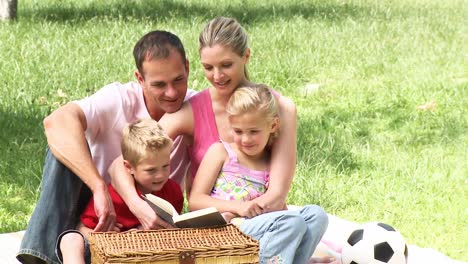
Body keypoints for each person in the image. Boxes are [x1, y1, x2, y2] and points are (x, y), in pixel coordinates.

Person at [109, 17, 329, 263]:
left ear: (246, 56)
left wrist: (253, 213)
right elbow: (122, 163)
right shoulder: (192, 111)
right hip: (219, 224)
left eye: (226, 65)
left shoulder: (280, 109)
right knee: (292, 223)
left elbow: (277, 194)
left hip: (266, 217)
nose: (217, 76)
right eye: (208, 67)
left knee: (315, 216)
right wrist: (137, 206)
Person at [17, 30, 195, 264]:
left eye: (178, 80)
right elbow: (56, 122)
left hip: (145, 228)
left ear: (188, 68)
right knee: (62, 146)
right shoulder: (119, 99)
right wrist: (99, 187)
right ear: (140, 79)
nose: (172, 93)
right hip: (97, 217)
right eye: (159, 84)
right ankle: (41, 256)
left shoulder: (195, 107)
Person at [189, 85, 327, 263]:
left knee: (317, 215)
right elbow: (195, 201)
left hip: (262, 230)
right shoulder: (221, 152)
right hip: (227, 231)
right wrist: (238, 208)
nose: (245, 139)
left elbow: (278, 209)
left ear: (273, 125)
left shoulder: (270, 161)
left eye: (254, 131)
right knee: (291, 222)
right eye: (238, 131)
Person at [57, 119, 183, 264]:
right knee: (70, 239)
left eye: (165, 166)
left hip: (144, 257)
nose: (160, 175)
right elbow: (83, 229)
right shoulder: (113, 197)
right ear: (129, 167)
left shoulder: (173, 192)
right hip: (103, 254)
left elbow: (173, 236)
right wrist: (109, 239)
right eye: (151, 170)